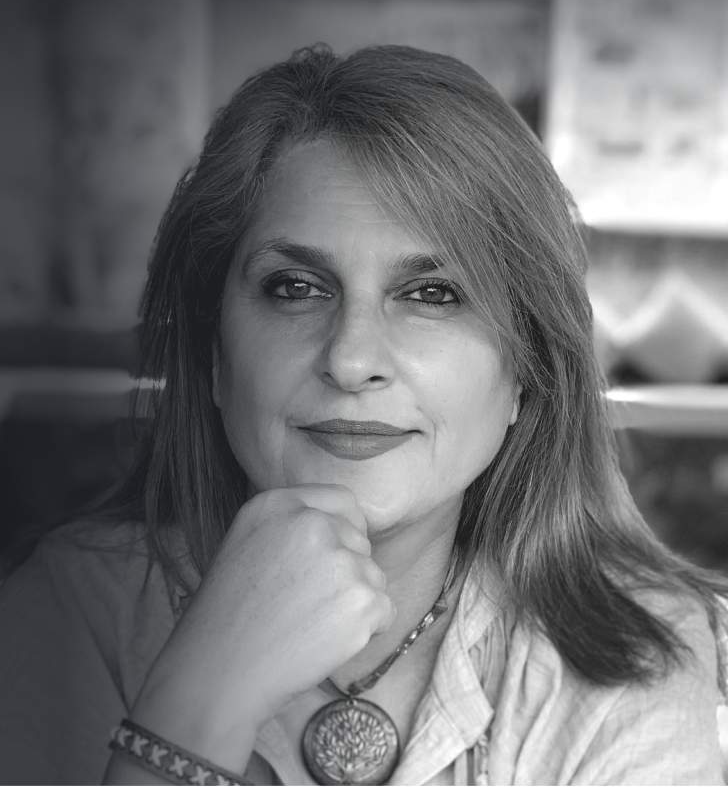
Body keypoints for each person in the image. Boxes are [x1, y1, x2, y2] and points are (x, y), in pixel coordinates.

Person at [0, 44, 726, 787]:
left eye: (432, 295)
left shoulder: (638, 655)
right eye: (296, 287)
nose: (351, 361)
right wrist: (197, 701)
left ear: (523, 372)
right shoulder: (66, 613)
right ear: (214, 352)